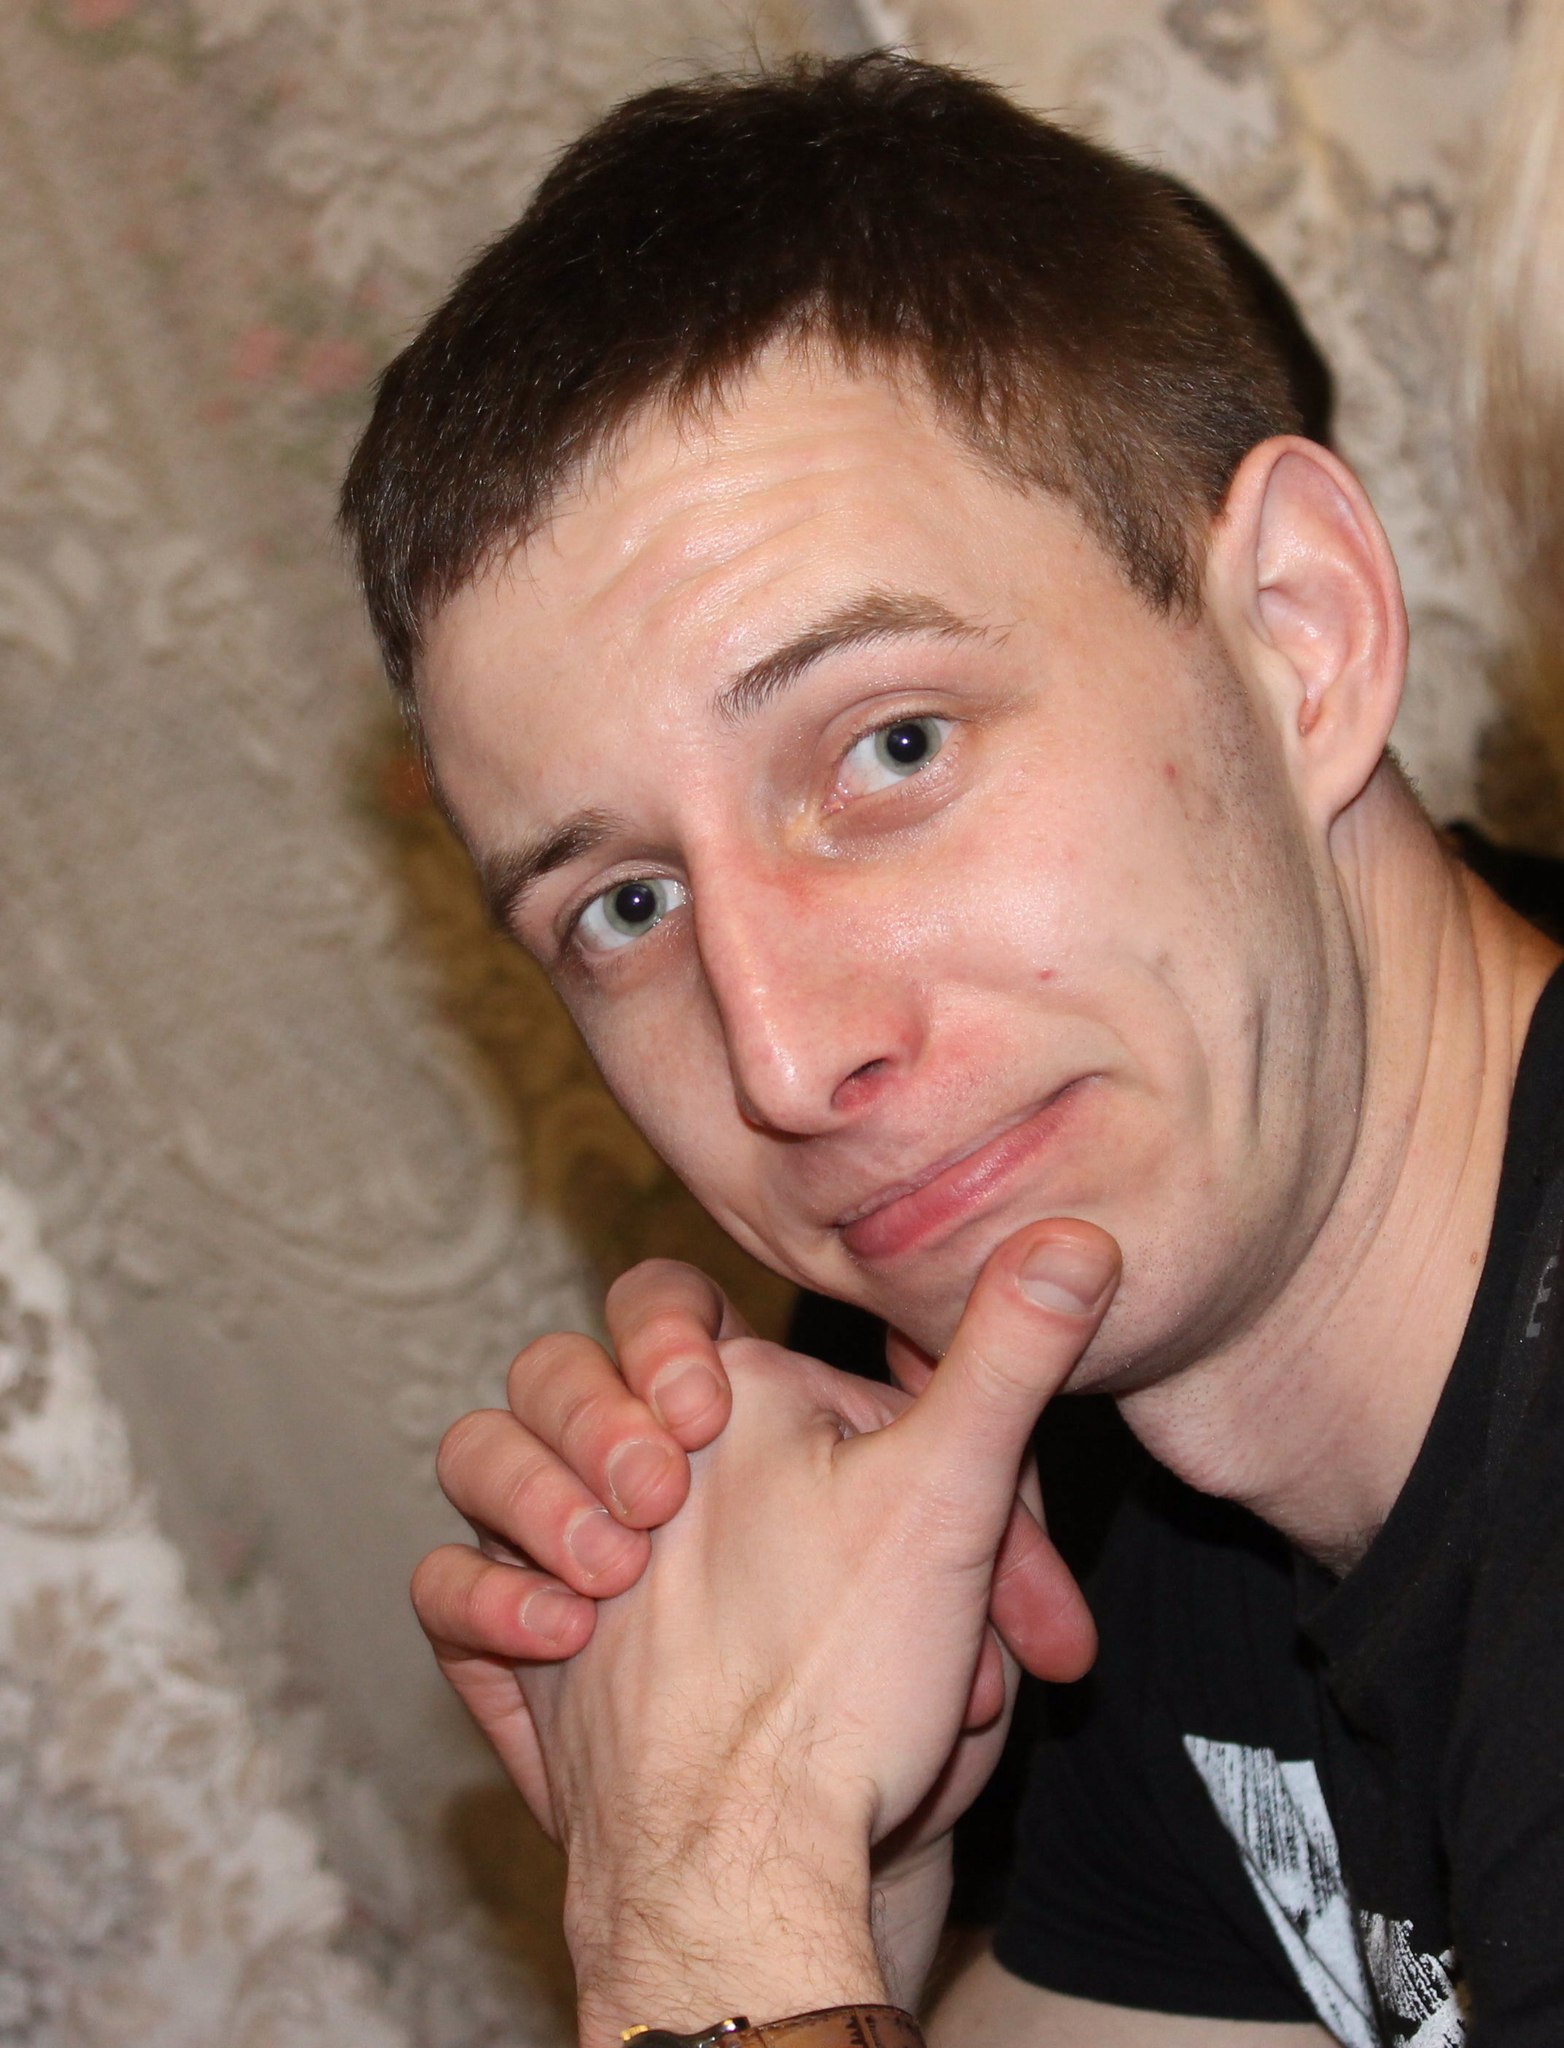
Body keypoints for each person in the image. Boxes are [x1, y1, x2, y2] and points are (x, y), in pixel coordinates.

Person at [339, 53, 1564, 2048]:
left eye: (888, 747)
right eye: (623, 908)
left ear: (1301, 631)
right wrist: (834, 1863)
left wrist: (710, 1896)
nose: (780, 1056)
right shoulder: (1148, 1485)